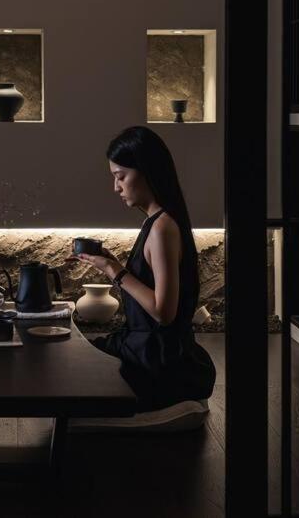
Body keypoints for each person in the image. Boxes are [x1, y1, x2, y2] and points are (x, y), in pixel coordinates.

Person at [69, 125, 216, 412]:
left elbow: (164, 312)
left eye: (120, 176)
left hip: (157, 362)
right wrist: (113, 263)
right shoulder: (157, 221)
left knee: (70, 366)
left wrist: (115, 271)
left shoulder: (163, 228)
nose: (116, 187)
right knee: (74, 355)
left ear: (146, 171)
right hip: (145, 349)